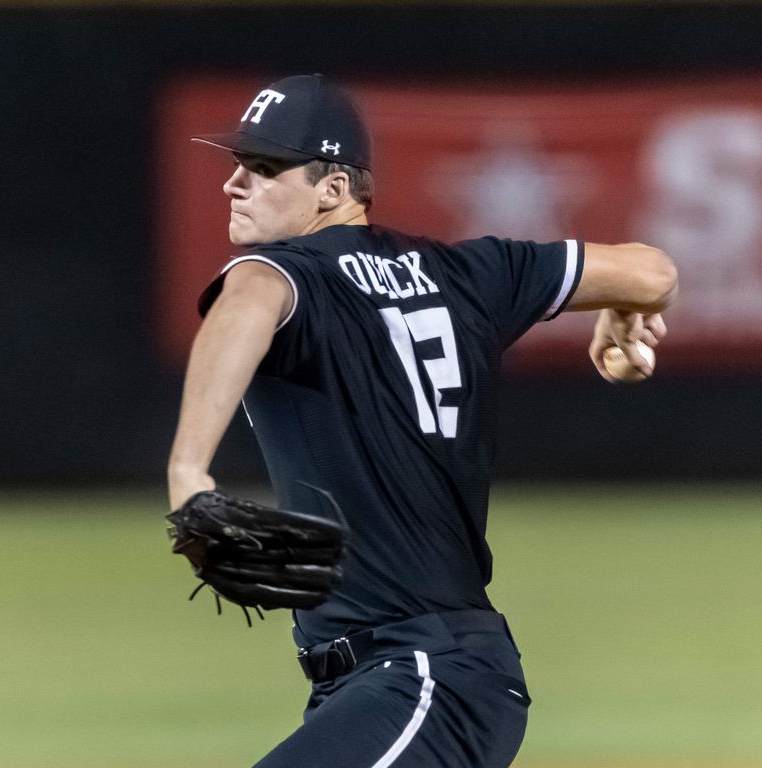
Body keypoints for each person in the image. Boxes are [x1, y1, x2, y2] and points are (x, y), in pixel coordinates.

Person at [166, 74, 677, 767]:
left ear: (334, 188)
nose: (234, 183)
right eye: (237, 164)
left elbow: (248, 298)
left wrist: (188, 471)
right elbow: (653, 272)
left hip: (426, 675)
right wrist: (619, 305)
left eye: (264, 168)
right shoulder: (471, 272)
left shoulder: (284, 274)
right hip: (401, 681)